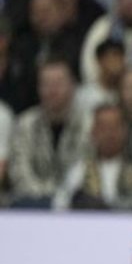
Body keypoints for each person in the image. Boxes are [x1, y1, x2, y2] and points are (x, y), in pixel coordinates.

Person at [52, 103, 132, 212]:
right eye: (104, 128)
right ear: (93, 132)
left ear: (125, 131)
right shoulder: (80, 168)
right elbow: (60, 205)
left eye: (115, 127)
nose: (110, 134)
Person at [7, 58, 91, 207]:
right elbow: (19, 172)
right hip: (33, 203)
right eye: (46, 84)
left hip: (76, 205)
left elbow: (85, 168)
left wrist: (62, 198)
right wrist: (46, 198)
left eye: (59, 83)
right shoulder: (25, 124)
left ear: (73, 86)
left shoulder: (89, 124)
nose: (52, 90)